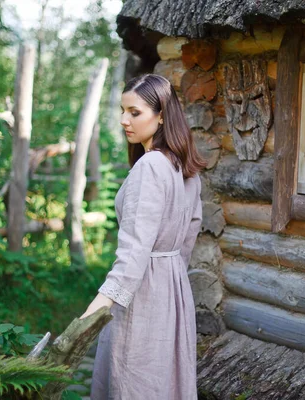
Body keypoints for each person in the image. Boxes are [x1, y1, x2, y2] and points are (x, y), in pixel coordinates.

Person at [80, 73, 207, 399]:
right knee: (163, 380)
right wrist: (171, 275)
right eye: (123, 111)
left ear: (161, 115)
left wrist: (94, 310)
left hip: (143, 292)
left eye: (134, 112)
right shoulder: (186, 170)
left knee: (134, 379)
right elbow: (187, 240)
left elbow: (135, 250)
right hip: (173, 289)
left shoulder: (151, 166)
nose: (124, 120)